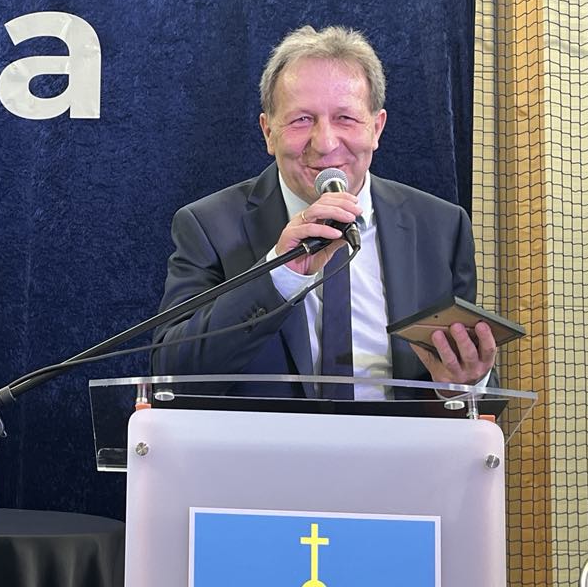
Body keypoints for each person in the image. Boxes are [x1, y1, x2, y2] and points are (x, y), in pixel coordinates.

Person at [151, 25, 496, 398]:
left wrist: (462, 387)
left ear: (376, 128)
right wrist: (280, 274)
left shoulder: (441, 227)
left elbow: (472, 382)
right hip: (265, 438)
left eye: (345, 118)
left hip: (398, 437)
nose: (326, 143)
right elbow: (172, 374)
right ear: (268, 132)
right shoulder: (208, 225)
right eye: (302, 119)